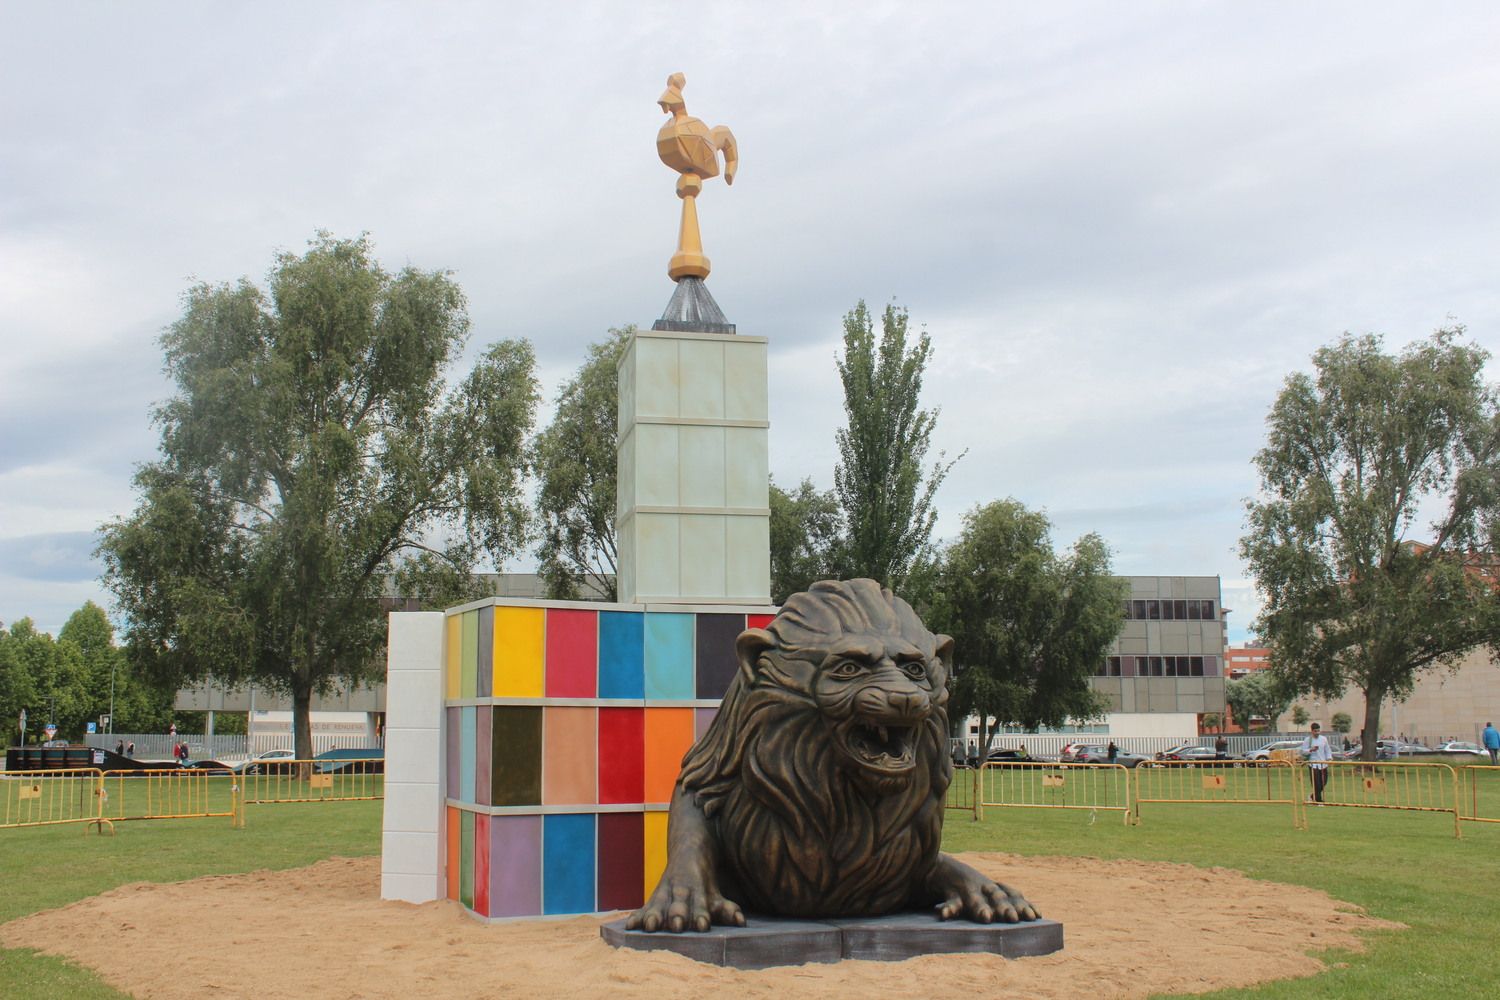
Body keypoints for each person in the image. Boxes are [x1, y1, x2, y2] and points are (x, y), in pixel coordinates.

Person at [1300, 722, 1332, 804]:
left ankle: (1312, 796)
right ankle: (1318, 800)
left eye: (1318, 731)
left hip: (1323, 763)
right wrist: (1311, 750)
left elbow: (1327, 749)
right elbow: (1303, 751)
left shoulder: (1324, 739)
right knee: (1316, 783)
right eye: (1315, 731)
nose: (1317, 733)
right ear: (1312, 731)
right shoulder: (1308, 740)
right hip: (1313, 764)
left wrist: (1329, 758)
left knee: (1324, 782)